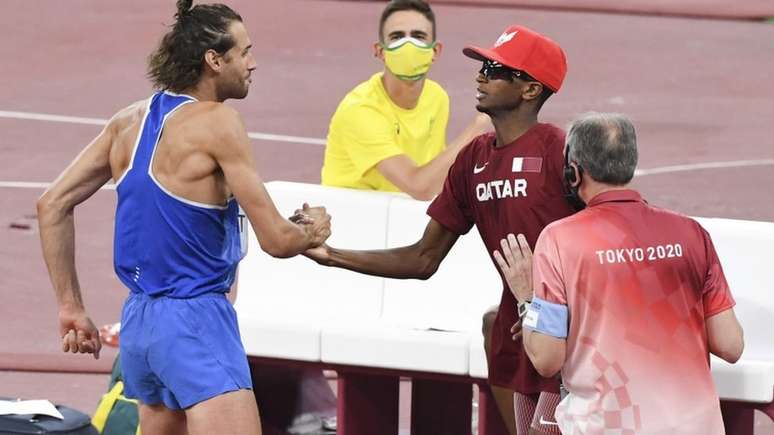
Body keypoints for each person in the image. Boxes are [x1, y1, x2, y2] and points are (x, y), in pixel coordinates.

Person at [36, 2, 332, 435]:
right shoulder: (218, 123)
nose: (253, 63)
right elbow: (278, 241)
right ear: (214, 60)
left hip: (140, 327)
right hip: (196, 321)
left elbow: (52, 204)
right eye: (245, 52)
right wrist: (312, 230)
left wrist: (71, 307)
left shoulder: (127, 123)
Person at [303, 24, 574, 435]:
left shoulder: (558, 150)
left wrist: (553, 308)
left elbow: (605, 230)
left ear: (530, 90)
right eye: (483, 65)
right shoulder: (473, 160)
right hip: (513, 329)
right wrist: (332, 256)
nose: (480, 75)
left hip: (565, 332)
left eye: (496, 68)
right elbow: (423, 258)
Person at [495, 112, 744, 434]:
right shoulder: (691, 233)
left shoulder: (561, 240)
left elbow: (546, 358)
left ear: (573, 172)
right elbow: (730, 345)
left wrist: (527, 300)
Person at [320, 0, 491, 200]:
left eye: (418, 36)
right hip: (351, 217)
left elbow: (436, 177)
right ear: (380, 51)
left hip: (400, 209)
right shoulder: (360, 110)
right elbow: (419, 187)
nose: (408, 45)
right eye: (397, 37)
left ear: (435, 51)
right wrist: (480, 125)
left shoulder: (436, 97)